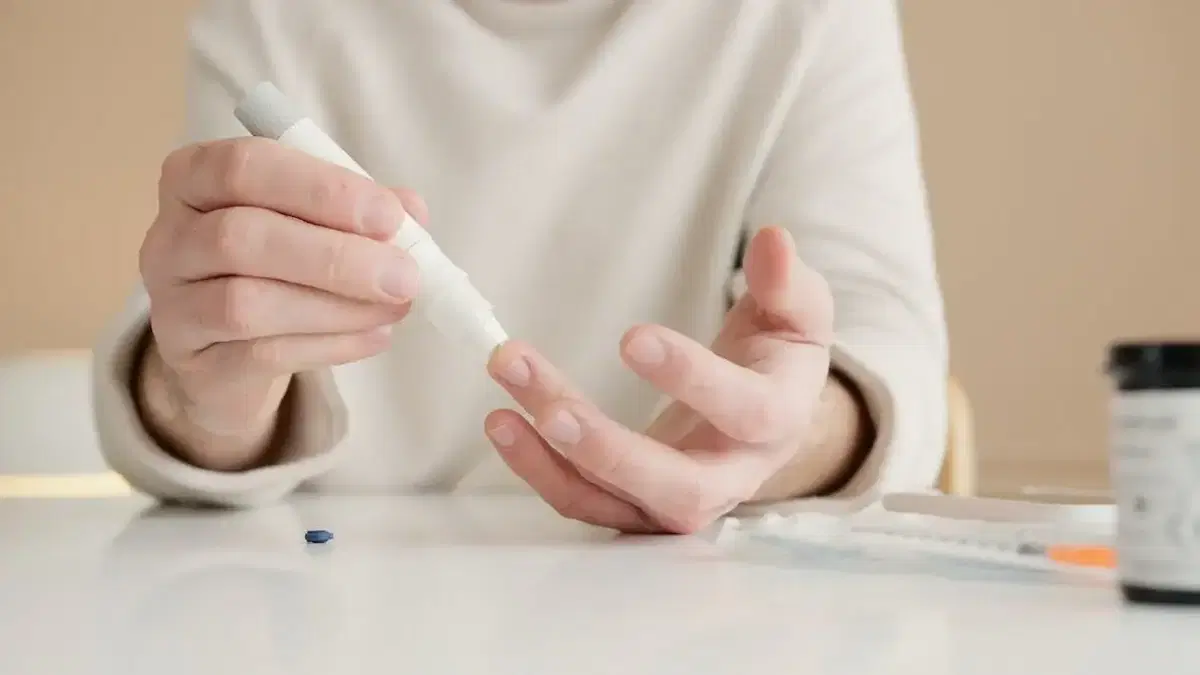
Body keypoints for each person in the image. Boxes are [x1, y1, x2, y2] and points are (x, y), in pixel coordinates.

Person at [92, 0, 948, 533]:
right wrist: (207, 394)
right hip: (319, 611)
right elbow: (192, 345)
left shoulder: (805, 15)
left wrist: (783, 433)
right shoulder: (269, 16)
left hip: (674, 615)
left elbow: (885, 340)